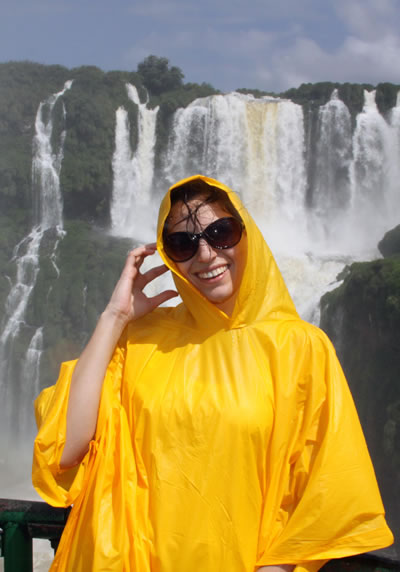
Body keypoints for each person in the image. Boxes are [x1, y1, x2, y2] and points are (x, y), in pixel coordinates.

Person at [33, 175, 393, 572]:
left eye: (221, 232)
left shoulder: (299, 347)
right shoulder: (140, 338)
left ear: (246, 233)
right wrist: (114, 317)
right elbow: (66, 447)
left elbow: (325, 490)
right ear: (168, 256)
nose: (205, 255)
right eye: (183, 244)